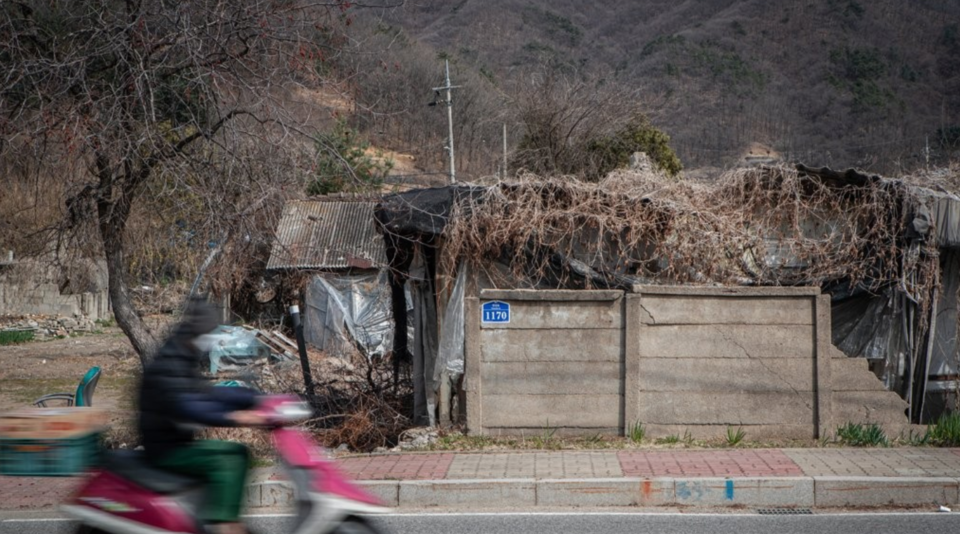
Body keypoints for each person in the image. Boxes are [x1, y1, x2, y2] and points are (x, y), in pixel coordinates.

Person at [138, 297, 263, 534]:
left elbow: (208, 393)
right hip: (166, 449)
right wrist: (237, 418)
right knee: (228, 460)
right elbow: (190, 407)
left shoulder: (182, 356)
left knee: (238, 452)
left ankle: (220, 515)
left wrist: (255, 398)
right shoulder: (169, 363)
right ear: (198, 332)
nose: (211, 339)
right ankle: (222, 523)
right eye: (209, 332)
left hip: (178, 442)